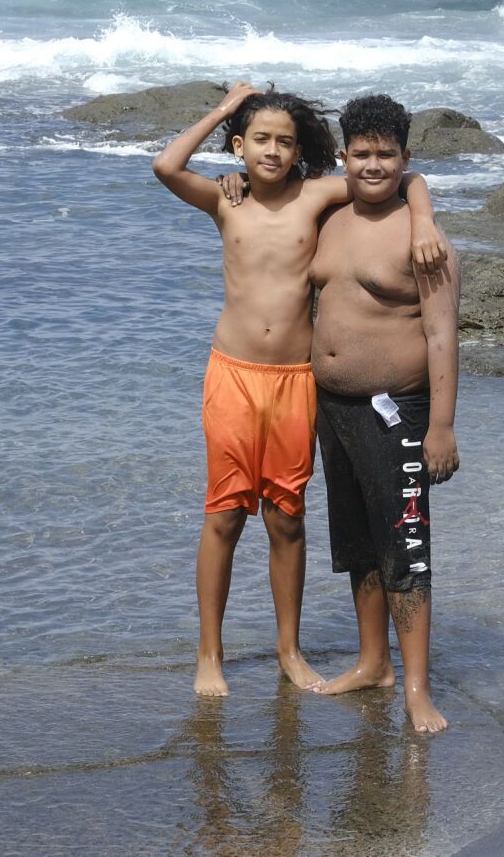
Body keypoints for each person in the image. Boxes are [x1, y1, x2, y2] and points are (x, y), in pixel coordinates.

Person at [152, 82, 443, 697]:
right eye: (260, 140)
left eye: (285, 141)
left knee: (287, 520)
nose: (274, 151)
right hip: (232, 374)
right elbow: (165, 165)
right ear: (239, 146)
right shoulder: (223, 201)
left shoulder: (317, 196)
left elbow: (391, 176)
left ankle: (289, 648)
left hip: (294, 381)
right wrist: (226, 108)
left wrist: (422, 215)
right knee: (226, 515)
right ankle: (210, 653)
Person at [307, 93, 459, 733]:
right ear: (344, 155)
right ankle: (374, 662)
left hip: (397, 411)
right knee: (359, 544)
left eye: (386, 155)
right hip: (332, 409)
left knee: (407, 548)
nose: (373, 166)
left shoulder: (425, 242)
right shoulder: (333, 211)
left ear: (405, 157)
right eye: (361, 153)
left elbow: (442, 338)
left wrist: (442, 426)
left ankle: (417, 688)